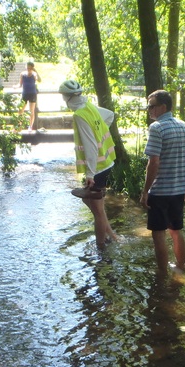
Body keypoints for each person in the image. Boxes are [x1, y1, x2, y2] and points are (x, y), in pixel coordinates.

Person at [140, 89, 185, 273]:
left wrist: (145, 191)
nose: (149, 110)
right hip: (179, 190)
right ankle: (180, 267)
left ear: (162, 107)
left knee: (158, 234)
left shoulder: (156, 128)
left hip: (161, 191)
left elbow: (154, 162)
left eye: (151, 106)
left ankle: (162, 274)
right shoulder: (182, 125)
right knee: (176, 231)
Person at [59, 79, 118, 249]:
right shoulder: (88, 106)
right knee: (89, 201)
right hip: (106, 163)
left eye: (63, 97)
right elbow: (109, 115)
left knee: (98, 210)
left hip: (98, 168)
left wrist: (90, 173)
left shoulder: (79, 115)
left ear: (67, 97)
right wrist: (100, 132)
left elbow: (91, 146)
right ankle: (112, 236)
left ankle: (101, 247)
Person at [17, 61, 41, 130]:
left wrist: (35, 71)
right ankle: (19, 125)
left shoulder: (34, 74)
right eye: (27, 68)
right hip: (25, 94)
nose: (28, 69)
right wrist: (16, 86)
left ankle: (30, 126)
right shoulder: (23, 74)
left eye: (30, 68)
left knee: (31, 111)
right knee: (20, 110)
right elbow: (20, 84)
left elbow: (39, 80)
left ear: (32, 68)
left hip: (32, 94)